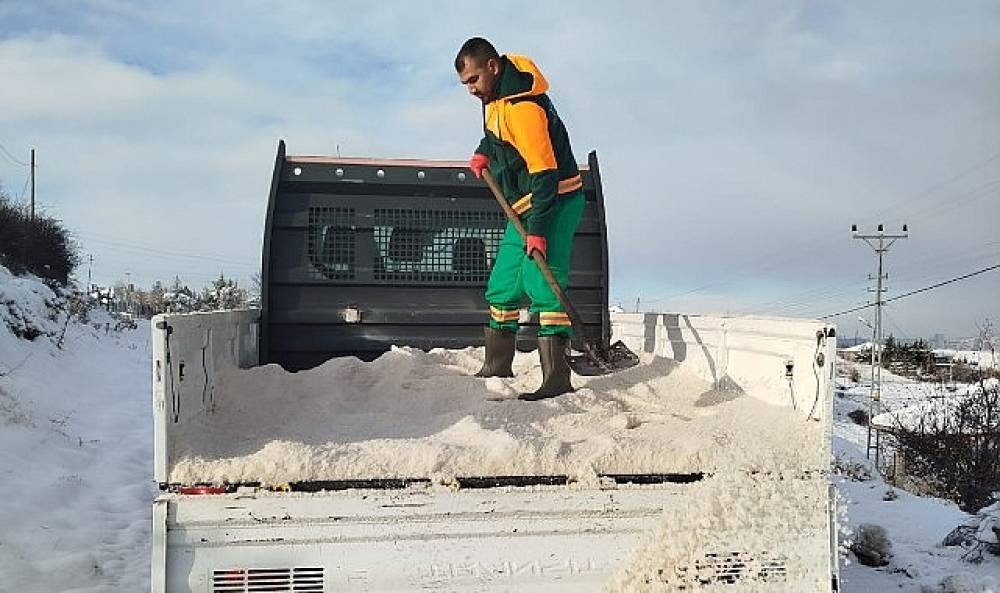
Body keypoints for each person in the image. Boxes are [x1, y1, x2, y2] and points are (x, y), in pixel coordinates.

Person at [455, 37, 585, 400]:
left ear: (493, 67)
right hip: (524, 203)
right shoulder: (494, 99)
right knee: (504, 283)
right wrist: (483, 153)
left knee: (542, 283)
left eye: (474, 79)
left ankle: (556, 378)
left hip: (554, 200)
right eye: (465, 83)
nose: (471, 89)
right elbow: (496, 138)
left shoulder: (524, 108)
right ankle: (497, 364)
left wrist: (539, 231)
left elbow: (544, 173)